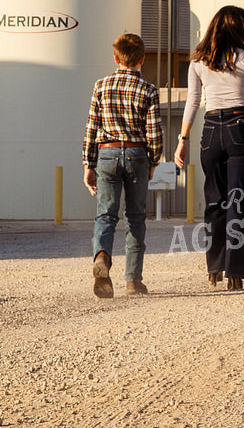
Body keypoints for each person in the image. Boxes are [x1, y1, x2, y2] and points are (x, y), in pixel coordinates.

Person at [174, 5, 244, 291]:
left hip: (210, 132)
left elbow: (193, 101)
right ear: (234, 27)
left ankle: (215, 266)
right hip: (240, 128)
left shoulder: (198, 62)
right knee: (239, 202)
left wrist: (182, 139)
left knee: (214, 202)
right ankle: (235, 270)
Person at [82, 33, 162, 299]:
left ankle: (102, 256)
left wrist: (88, 164)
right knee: (135, 218)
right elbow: (154, 132)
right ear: (142, 59)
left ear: (116, 58)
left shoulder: (101, 86)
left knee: (106, 215)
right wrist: (154, 161)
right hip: (137, 154)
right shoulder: (149, 90)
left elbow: (92, 127)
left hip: (107, 153)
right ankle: (133, 281)